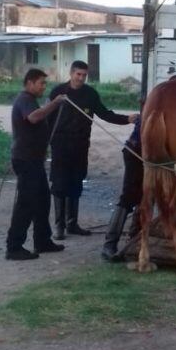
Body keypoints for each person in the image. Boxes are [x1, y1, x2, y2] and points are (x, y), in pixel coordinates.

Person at [48, 60, 138, 239]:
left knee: (76, 182)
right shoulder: (58, 92)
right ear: (71, 73)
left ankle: (72, 224)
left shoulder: (90, 94)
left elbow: (105, 114)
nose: (81, 78)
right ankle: (59, 226)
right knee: (59, 184)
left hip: (80, 146)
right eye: (78, 74)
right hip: (60, 145)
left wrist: (127, 119)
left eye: (84, 75)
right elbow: (47, 117)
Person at [5, 68, 68, 261]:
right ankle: (14, 247)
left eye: (44, 83)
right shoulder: (24, 99)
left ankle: (42, 241)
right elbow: (33, 117)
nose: (43, 87)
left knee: (42, 200)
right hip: (25, 160)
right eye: (41, 83)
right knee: (26, 203)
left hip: (35, 160)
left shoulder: (31, 100)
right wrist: (55, 103)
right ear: (30, 83)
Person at [101, 109, 142, 261]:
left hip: (147, 155)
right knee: (129, 196)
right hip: (136, 152)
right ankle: (109, 244)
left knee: (144, 195)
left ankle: (134, 235)